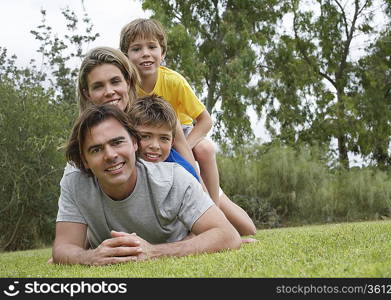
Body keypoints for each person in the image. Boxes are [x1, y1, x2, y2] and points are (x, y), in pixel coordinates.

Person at [52, 104, 241, 265]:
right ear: (84, 160)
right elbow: (63, 247)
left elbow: (227, 234)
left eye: (117, 142)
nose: (110, 155)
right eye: (96, 149)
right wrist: (90, 257)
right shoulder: (75, 181)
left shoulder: (174, 178)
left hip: (175, 243)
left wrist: (155, 252)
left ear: (135, 143)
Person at [119, 18, 222, 207]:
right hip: (147, 137)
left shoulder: (174, 81)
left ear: (163, 53)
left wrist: (182, 147)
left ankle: (214, 205)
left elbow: (205, 121)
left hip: (180, 132)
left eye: (152, 47)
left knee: (205, 149)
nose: (145, 54)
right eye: (136, 49)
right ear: (125, 56)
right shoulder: (126, 87)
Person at [128, 95, 257, 237]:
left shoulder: (182, 172)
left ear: (172, 143)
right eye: (145, 136)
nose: (155, 146)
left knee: (248, 229)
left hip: (201, 186)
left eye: (163, 138)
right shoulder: (126, 164)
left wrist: (222, 235)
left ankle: (218, 199)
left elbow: (203, 229)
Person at [77, 46, 196, 167]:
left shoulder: (157, 116)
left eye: (115, 82)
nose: (109, 91)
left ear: (127, 82)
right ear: (87, 94)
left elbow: (193, 175)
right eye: (98, 86)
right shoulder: (85, 136)